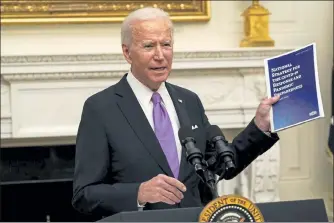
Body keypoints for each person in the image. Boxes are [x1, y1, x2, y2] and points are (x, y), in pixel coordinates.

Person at [71, 7, 280, 218]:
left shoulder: (189, 101)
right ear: (127, 52)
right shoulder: (100, 108)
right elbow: (84, 195)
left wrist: (260, 126)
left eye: (166, 45)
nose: (160, 55)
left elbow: (222, 164)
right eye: (149, 46)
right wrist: (139, 193)